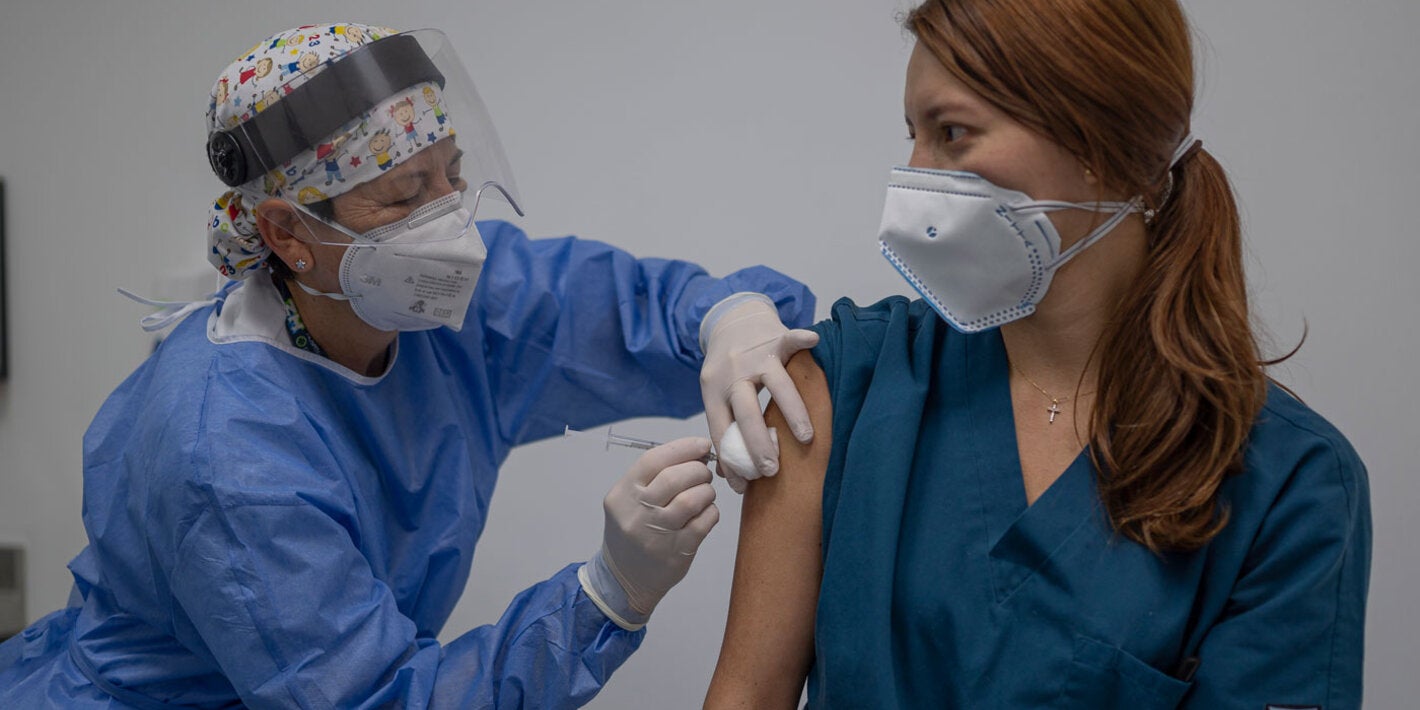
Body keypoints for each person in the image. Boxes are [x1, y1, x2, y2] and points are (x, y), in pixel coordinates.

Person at [0, 23, 820, 708]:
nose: (449, 229)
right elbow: (375, 698)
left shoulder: (444, 303)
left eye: (452, 177)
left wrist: (729, 318)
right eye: (400, 198)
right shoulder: (227, 450)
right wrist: (604, 595)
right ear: (288, 235)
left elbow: (626, 309)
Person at [704, 1, 1371, 708]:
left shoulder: (1289, 484)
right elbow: (747, 693)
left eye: (952, 133)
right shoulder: (844, 382)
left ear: (1097, 141)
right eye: (913, 136)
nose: (914, 179)